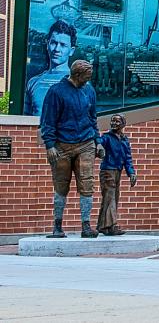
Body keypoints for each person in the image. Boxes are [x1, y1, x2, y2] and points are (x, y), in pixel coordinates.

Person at [40, 60, 102, 238]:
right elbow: (48, 121)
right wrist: (50, 145)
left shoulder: (89, 90)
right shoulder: (56, 92)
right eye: (86, 77)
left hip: (86, 143)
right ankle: (57, 226)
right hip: (61, 146)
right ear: (77, 75)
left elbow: (93, 118)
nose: (88, 81)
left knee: (87, 184)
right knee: (61, 186)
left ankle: (86, 226)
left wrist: (97, 141)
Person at [25, 20, 77, 116]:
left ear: (71, 51)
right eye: (53, 43)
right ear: (47, 45)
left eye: (63, 45)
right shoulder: (33, 82)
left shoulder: (79, 83)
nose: (57, 49)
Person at [98, 113, 137, 236]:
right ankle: (112, 226)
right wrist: (99, 146)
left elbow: (127, 158)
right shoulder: (106, 137)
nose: (114, 123)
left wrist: (131, 173)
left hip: (117, 171)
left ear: (123, 124)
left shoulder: (124, 140)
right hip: (107, 171)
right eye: (112, 121)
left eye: (117, 121)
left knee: (112, 198)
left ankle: (103, 226)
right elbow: (99, 141)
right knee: (110, 198)